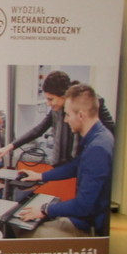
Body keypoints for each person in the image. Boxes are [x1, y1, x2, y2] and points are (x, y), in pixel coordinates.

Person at [15, 83, 113, 237]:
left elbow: (83, 206)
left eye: (67, 115)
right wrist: (40, 176)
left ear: (81, 115)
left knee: (25, 234)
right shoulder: (99, 136)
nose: (66, 120)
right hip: (85, 219)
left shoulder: (97, 148)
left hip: (88, 229)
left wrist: (45, 209)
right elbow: (75, 166)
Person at [0, 69, 115, 167]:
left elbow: (111, 132)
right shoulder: (57, 109)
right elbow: (39, 129)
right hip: (69, 166)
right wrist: (10, 146)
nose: (48, 104)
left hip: (87, 163)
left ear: (64, 95)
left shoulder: (90, 104)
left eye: (50, 99)